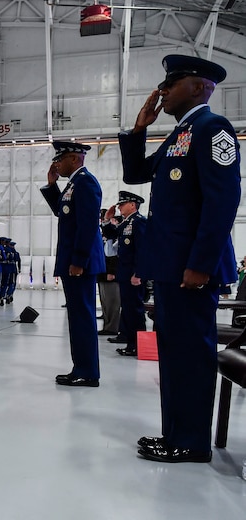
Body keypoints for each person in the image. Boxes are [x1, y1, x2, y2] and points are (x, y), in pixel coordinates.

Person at [119, 55, 240, 463]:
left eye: (173, 82)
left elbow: (222, 202)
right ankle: (177, 434)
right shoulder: (179, 135)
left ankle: (190, 442)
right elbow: (135, 174)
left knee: (190, 354)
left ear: (200, 86)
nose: (163, 91)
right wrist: (139, 129)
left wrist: (201, 263)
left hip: (192, 268)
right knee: (174, 353)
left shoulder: (212, 128)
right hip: (171, 265)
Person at [40, 141, 105, 387]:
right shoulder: (73, 184)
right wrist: (51, 185)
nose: (57, 163)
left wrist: (78, 261)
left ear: (75, 159)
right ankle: (81, 367)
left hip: (81, 263)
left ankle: (87, 372)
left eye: (61, 159)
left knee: (82, 317)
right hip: (75, 261)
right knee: (77, 317)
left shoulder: (86, 182)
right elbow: (63, 211)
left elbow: (87, 227)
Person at [102, 192, 147, 356]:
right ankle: (130, 343)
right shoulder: (127, 223)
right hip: (125, 273)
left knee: (135, 310)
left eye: (123, 204)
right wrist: (107, 220)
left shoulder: (139, 222)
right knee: (128, 309)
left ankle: (137, 345)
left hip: (133, 275)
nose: (119, 207)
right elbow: (111, 234)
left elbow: (142, 250)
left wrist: (138, 273)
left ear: (133, 205)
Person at [97, 211, 121, 337]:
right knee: (105, 301)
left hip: (110, 272)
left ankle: (112, 327)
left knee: (112, 302)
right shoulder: (101, 232)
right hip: (102, 270)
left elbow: (114, 254)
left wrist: (112, 271)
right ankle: (108, 325)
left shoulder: (114, 232)